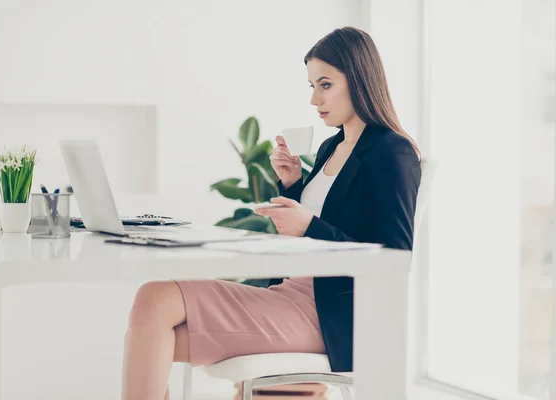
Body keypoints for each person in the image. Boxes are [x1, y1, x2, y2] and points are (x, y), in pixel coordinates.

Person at [121, 26, 422, 400]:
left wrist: (309, 227)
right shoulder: (332, 146)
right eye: (311, 86)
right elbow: (326, 222)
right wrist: (293, 184)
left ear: (359, 78)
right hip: (290, 294)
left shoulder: (392, 152)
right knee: (154, 306)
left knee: (155, 305)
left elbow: (395, 257)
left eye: (325, 84)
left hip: (332, 315)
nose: (314, 99)